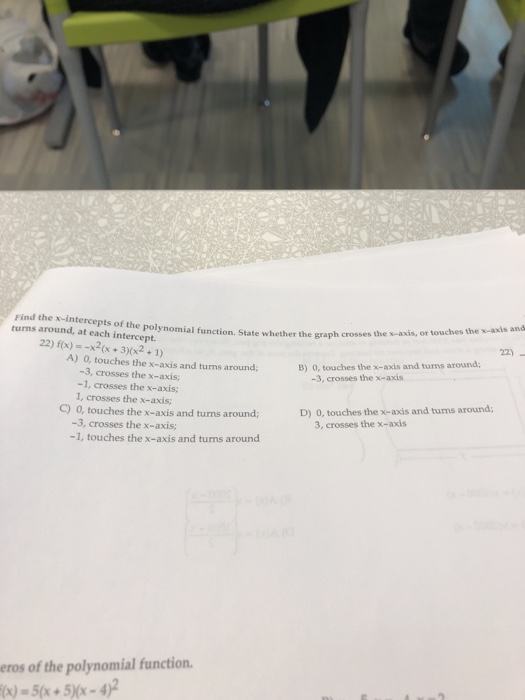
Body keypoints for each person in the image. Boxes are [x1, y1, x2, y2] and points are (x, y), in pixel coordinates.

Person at [403, 0, 470, 76]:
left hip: (420, 26)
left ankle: (418, 33)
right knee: (459, 59)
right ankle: (424, 42)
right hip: (429, 38)